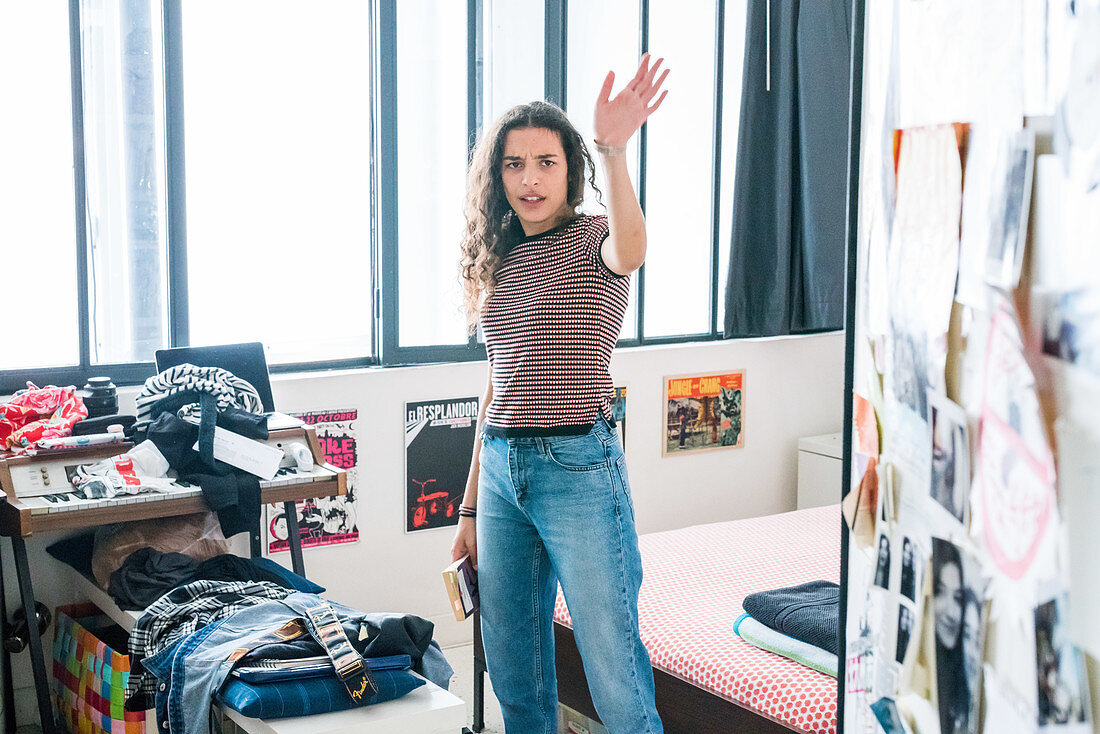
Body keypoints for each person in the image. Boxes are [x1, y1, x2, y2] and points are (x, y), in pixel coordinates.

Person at [452, 54, 669, 734]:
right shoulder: (498, 256)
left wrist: (613, 149)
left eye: (546, 162)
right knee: (516, 679)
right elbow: (498, 387)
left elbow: (633, 248)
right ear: (498, 176)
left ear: (570, 170)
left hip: (578, 466)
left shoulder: (594, 237)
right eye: (514, 164)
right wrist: (465, 510)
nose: (529, 178)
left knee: (616, 680)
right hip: (499, 476)